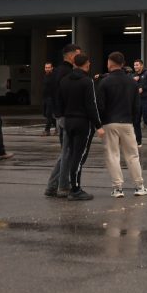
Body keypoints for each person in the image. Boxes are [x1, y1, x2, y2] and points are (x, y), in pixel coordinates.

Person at [97, 52, 147, 198]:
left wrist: (100, 123)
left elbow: (100, 105)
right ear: (123, 64)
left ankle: (118, 188)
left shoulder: (104, 82)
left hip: (109, 123)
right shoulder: (132, 82)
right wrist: (132, 120)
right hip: (127, 122)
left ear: (109, 63)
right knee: (132, 155)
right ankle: (139, 186)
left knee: (112, 155)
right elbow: (136, 106)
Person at [58, 53, 103, 201]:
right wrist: (98, 125)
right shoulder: (87, 81)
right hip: (83, 122)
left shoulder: (64, 80)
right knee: (80, 156)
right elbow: (91, 105)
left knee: (72, 154)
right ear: (86, 64)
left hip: (68, 121)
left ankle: (73, 186)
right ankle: (75, 189)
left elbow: (60, 102)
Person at [45, 43, 82, 198]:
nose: (80, 58)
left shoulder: (56, 72)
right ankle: (63, 186)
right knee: (68, 152)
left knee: (65, 152)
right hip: (67, 115)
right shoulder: (67, 73)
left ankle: (52, 186)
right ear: (71, 55)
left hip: (60, 115)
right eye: (78, 54)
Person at [42, 61, 57, 136]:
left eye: (48, 67)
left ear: (52, 68)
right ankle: (58, 127)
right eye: (46, 67)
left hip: (51, 98)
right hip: (45, 97)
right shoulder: (45, 76)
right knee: (45, 114)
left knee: (48, 114)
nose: (47, 69)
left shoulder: (54, 76)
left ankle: (47, 130)